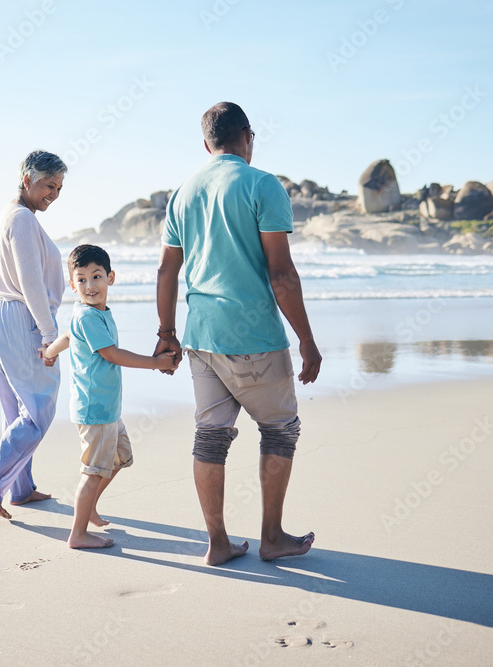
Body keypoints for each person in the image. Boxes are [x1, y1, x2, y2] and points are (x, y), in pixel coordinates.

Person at [154, 102, 323, 566]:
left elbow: (168, 270)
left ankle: (219, 543)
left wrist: (167, 333)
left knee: (210, 438)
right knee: (280, 430)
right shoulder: (262, 184)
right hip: (254, 338)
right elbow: (282, 273)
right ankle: (272, 538)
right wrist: (306, 338)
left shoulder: (183, 193)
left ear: (207, 143)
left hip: (200, 337)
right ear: (248, 136)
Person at [45, 245, 178, 549]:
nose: (90, 286)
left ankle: (88, 505)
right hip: (95, 410)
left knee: (119, 459)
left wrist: (49, 352)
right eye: (81, 280)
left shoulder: (93, 313)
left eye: (96, 276)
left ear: (111, 277)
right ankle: (77, 534)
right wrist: (155, 363)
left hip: (107, 409)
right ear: (72, 284)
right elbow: (111, 354)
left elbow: (67, 336)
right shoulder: (89, 317)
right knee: (93, 472)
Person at [0, 150, 68, 520]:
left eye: (58, 187)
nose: (53, 194)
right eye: (47, 185)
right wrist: (48, 333)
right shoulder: (23, 218)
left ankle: (20, 488)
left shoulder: (9, 212)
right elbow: (30, 282)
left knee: (15, 409)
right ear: (27, 179)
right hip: (20, 316)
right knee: (40, 409)